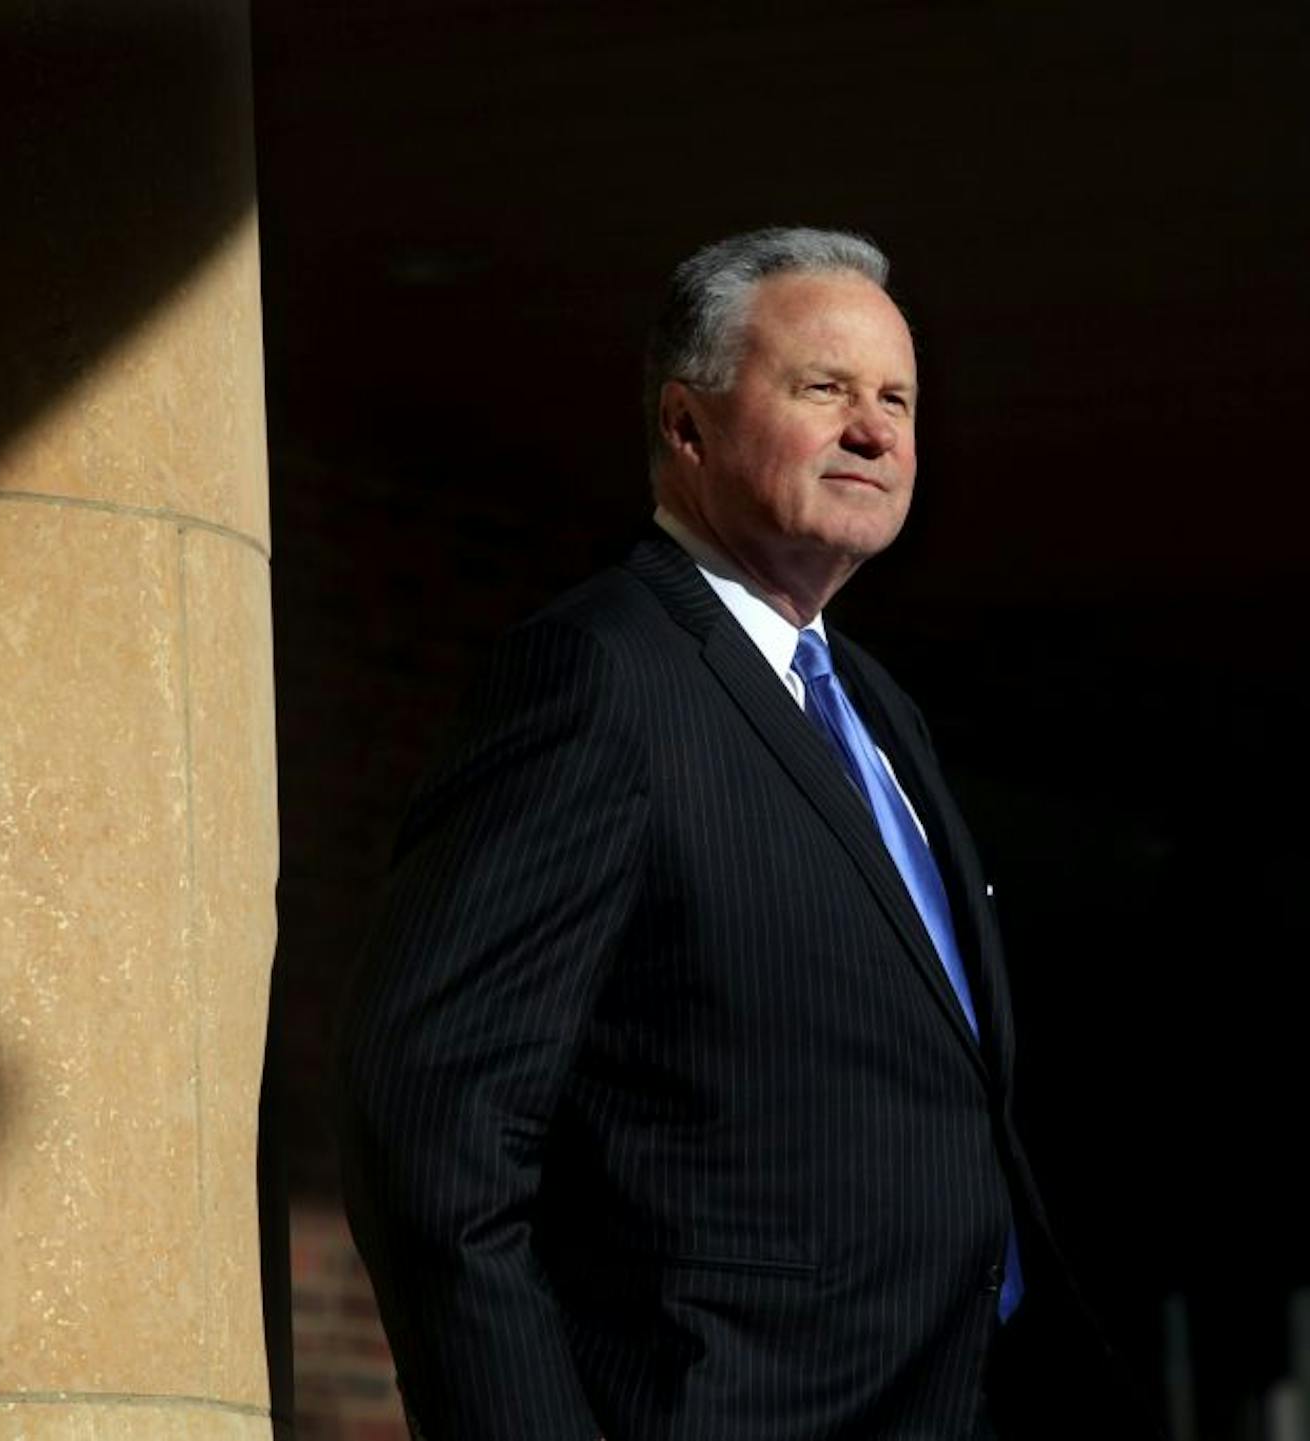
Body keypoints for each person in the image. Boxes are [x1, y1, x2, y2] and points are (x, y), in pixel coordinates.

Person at [337, 227, 1123, 1439]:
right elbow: (434, 1122)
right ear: (686, 426)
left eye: (898, 399)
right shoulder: (600, 676)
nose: (876, 430)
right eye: (825, 389)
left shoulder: (878, 708)